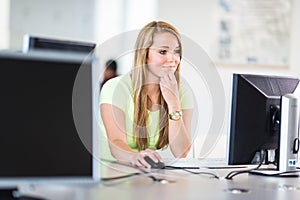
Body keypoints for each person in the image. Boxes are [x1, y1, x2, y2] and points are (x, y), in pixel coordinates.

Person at [99, 21, 194, 168]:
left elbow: (181, 152)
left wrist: (174, 103)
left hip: (146, 171)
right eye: (163, 51)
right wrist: (136, 157)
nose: (172, 59)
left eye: (177, 51)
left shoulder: (182, 91)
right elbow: (116, 143)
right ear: (145, 54)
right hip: (112, 170)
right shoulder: (115, 88)